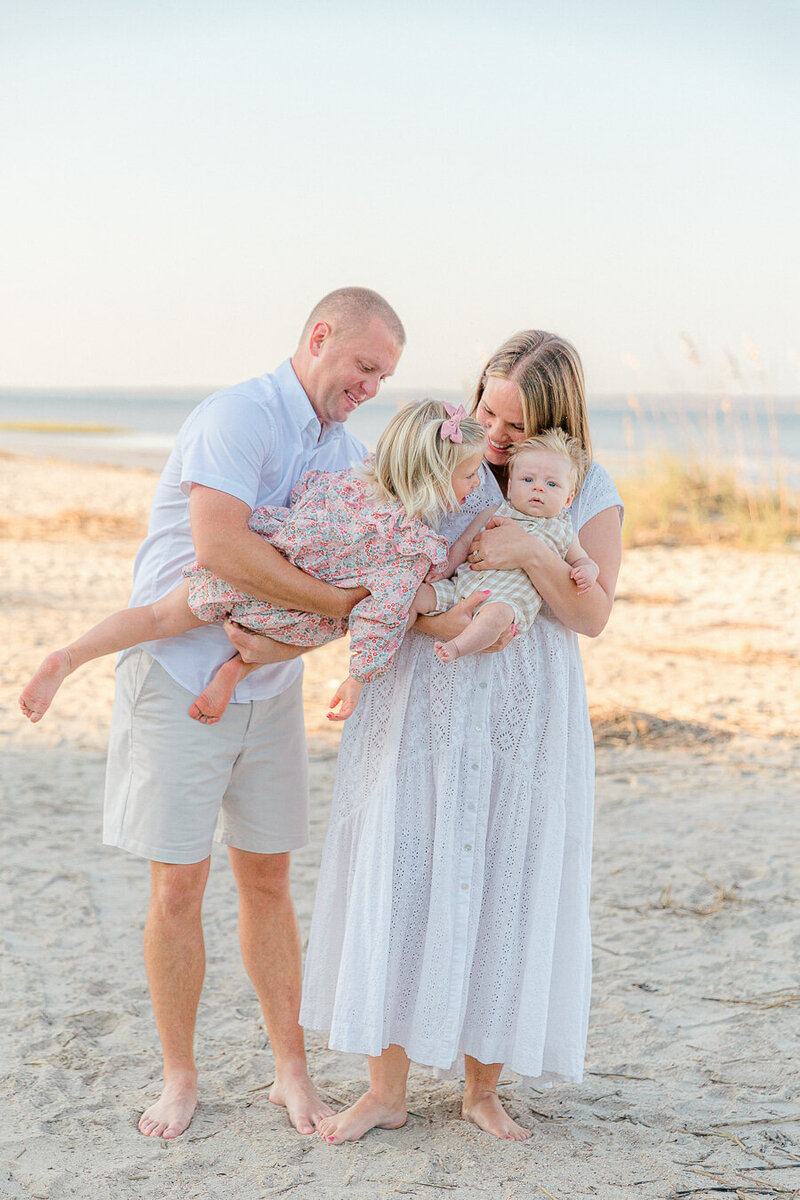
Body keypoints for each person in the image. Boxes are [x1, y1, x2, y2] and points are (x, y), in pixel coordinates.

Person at [297, 329, 624, 1144]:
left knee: (506, 872)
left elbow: (590, 613)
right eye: (489, 409)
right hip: (423, 690)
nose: (500, 435)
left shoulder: (587, 485)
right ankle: (386, 1089)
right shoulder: (448, 453)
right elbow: (385, 552)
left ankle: (483, 1089)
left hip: (526, 703)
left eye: (517, 423)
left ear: (557, 419)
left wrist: (527, 553)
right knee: (406, 863)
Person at [95, 287, 404, 1141]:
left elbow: (364, 569)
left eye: (384, 375)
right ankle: (180, 1077)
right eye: (365, 366)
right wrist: (340, 602)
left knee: (268, 878)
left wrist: (304, 637)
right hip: (176, 678)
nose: (371, 386)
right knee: (178, 888)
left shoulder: (347, 454)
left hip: (267, 689)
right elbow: (219, 546)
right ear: (319, 339)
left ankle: (289, 1070)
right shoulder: (238, 416)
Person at [19, 401, 487, 726]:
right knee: (329, 623)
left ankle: (70, 656)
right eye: (469, 474)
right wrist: (357, 679)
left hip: (255, 564)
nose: (474, 484)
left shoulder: (351, 480)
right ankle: (235, 670)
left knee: (159, 615)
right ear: (433, 478)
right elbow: (380, 617)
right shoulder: (409, 547)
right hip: (286, 615)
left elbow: (306, 494)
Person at [415, 428, 599, 664]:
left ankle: (456, 648)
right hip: (459, 586)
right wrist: (442, 571)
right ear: (510, 486)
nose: (538, 488)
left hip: (506, 600)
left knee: (497, 616)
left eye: (551, 484)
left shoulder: (563, 531)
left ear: (568, 499)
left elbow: (582, 559)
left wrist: (588, 571)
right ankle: (381, 633)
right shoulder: (494, 512)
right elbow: (463, 545)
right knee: (417, 594)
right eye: (528, 479)